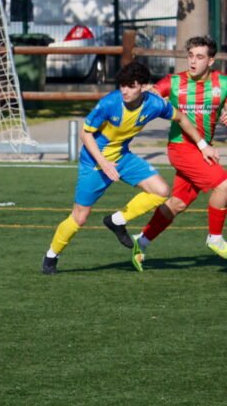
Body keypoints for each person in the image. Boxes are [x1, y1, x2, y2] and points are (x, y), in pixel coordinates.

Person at [42, 61, 182, 275]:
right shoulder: (110, 103)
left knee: (161, 191)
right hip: (94, 162)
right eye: (122, 85)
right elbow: (85, 134)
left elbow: (181, 117)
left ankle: (116, 221)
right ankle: (51, 256)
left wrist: (202, 143)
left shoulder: (153, 104)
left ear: (143, 87)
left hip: (122, 157)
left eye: (130, 86)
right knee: (80, 216)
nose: (124, 90)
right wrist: (104, 163)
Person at [131, 36, 227, 269]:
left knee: (178, 204)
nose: (193, 61)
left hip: (202, 151)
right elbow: (151, 95)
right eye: (190, 56)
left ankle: (140, 241)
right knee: (224, 185)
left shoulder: (222, 83)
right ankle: (215, 238)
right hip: (181, 148)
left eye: (200, 57)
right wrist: (145, 95)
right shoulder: (173, 82)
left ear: (211, 61)